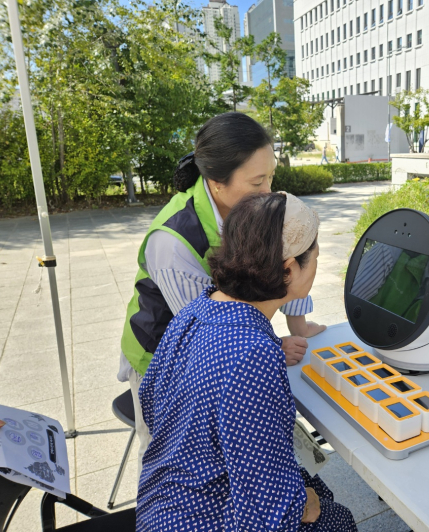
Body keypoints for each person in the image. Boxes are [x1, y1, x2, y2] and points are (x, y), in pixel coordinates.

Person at [119, 113, 326, 475]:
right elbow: (209, 337)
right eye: (257, 181)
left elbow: (288, 256)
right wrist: (270, 349)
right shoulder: (174, 241)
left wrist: (299, 327)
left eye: (271, 177)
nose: (268, 191)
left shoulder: (249, 211)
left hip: (221, 345)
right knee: (166, 454)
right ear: (216, 181)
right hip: (163, 353)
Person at [137, 192, 357, 531]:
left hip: (160, 504)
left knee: (312, 487)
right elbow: (271, 509)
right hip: (205, 518)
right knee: (335, 517)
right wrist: (303, 504)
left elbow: (150, 399)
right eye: (313, 256)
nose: (316, 263)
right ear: (287, 271)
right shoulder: (252, 355)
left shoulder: (197, 310)